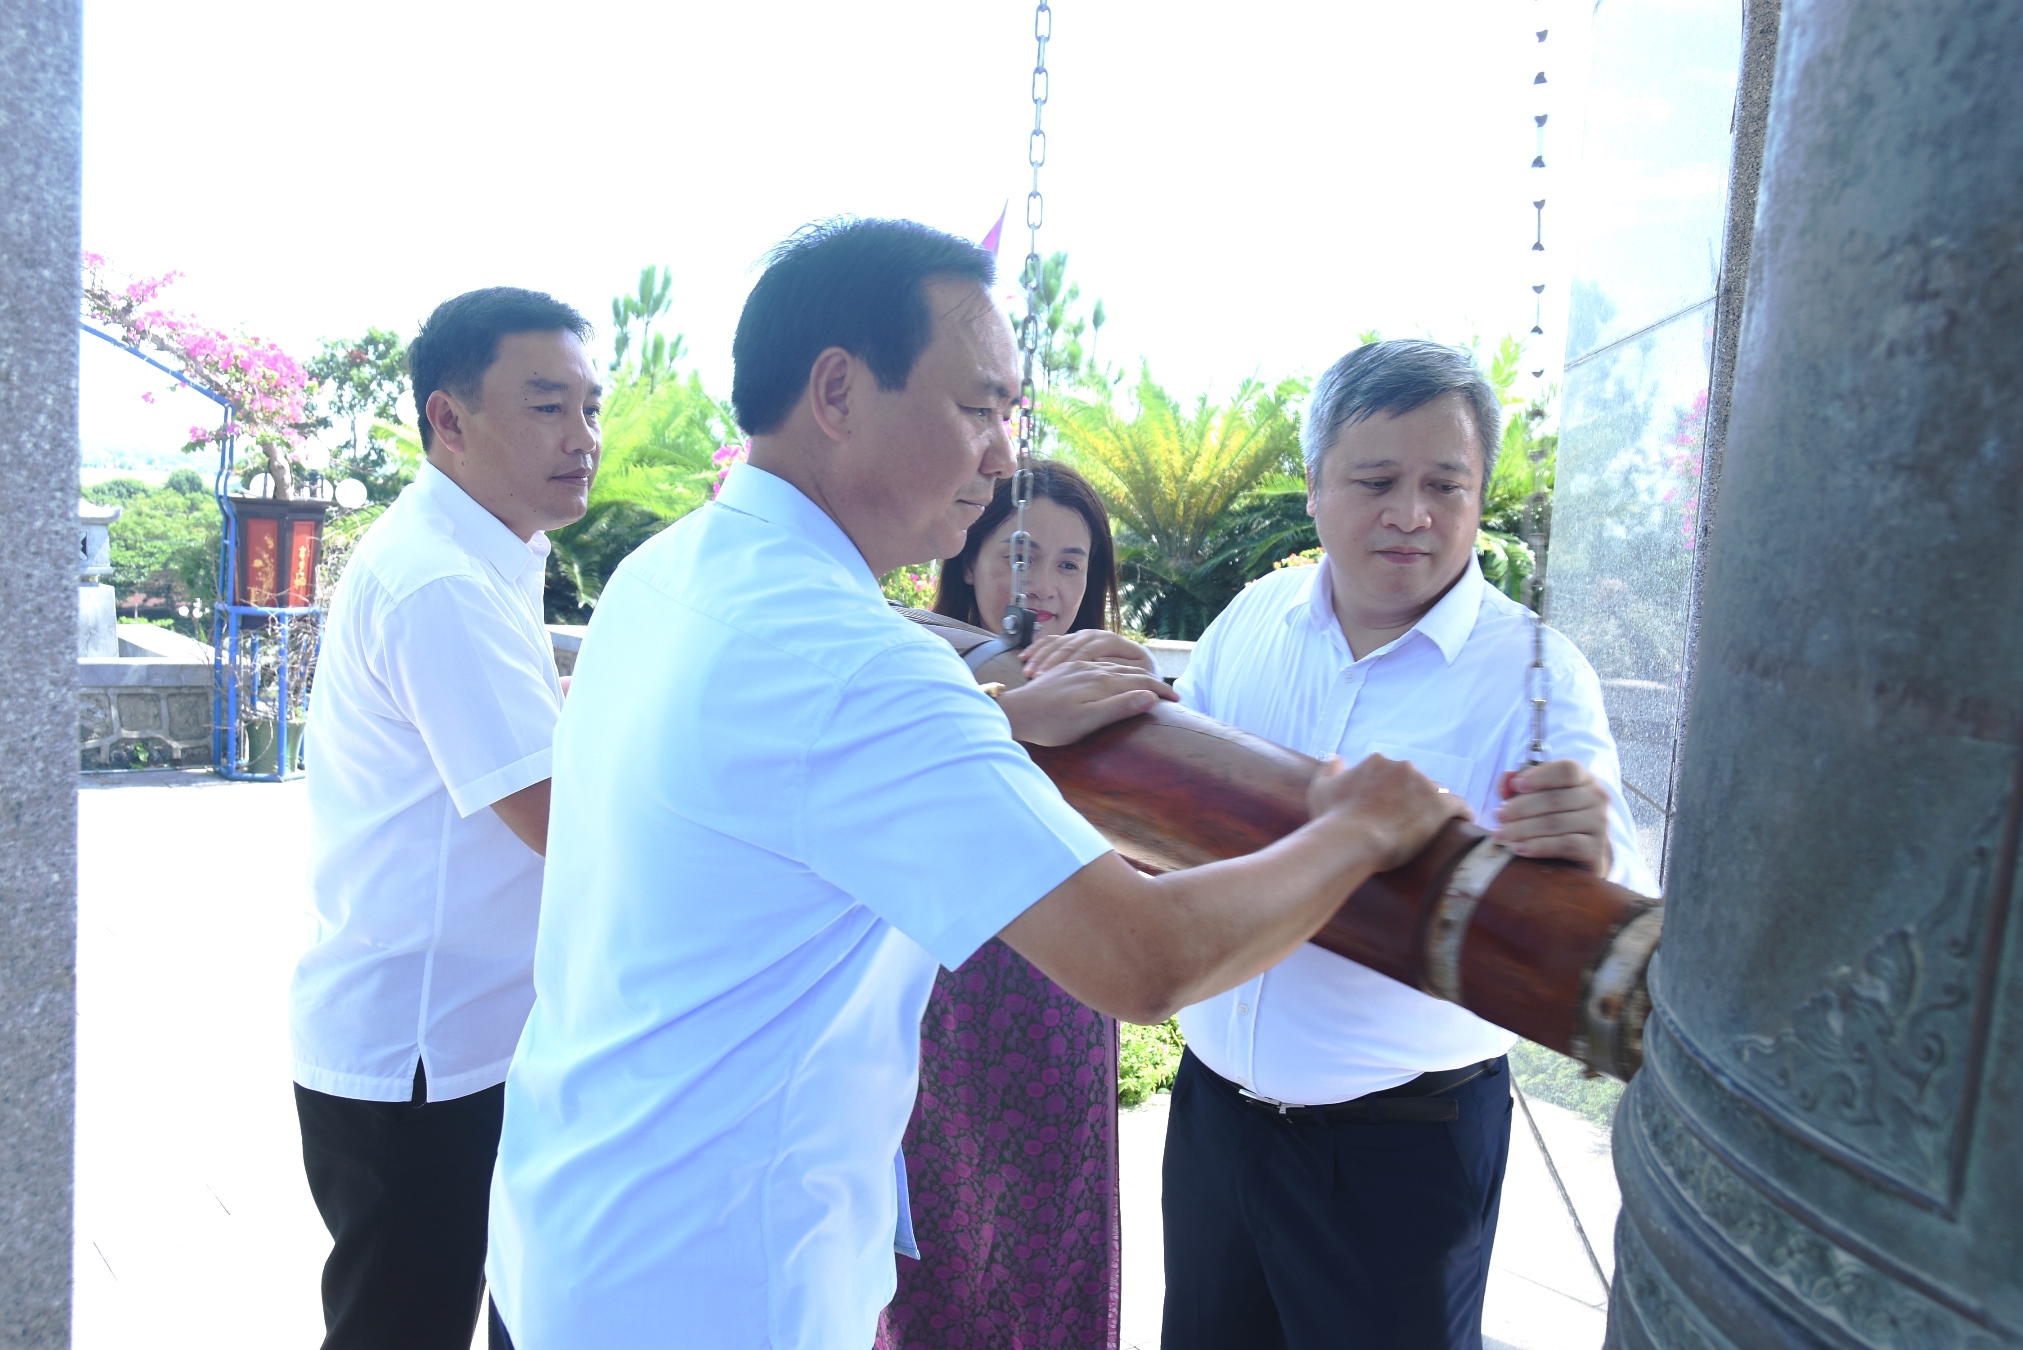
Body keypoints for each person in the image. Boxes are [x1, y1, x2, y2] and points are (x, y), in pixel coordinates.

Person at [483, 219, 1467, 1350]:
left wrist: (996, 720)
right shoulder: (857, 662)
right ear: (839, 391)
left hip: (567, 1237)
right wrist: (1358, 826)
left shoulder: (672, 570)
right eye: (980, 408)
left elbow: (772, 785)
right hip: (717, 1296)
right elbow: (1146, 960)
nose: (1004, 455)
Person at [1096, 338, 1657, 1349]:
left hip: (1403, 1150)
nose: (1413, 513)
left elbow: (1602, 843)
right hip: (1217, 1120)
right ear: (1313, 487)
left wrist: (1589, 838)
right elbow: (1170, 816)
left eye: (1446, 483)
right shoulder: (1252, 620)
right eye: (1375, 480)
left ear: (1480, 493)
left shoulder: (1532, 669)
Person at [289, 287, 600, 1350]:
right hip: (427, 1052)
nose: (583, 437)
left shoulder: (483, 553)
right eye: (547, 405)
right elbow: (566, 820)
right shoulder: (442, 583)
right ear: (448, 419)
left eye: (590, 407)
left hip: (456, 1037)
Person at [877, 462, 1151, 1350]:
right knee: (939, 1253)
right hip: (941, 1005)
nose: (1049, 586)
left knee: (1050, 1246)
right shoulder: (908, 658)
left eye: (1074, 565)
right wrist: (1015, 711)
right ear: (968, 552)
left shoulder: (1110, 685)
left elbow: (1144, 860)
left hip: (1060, 1008)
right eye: (1025, 553)